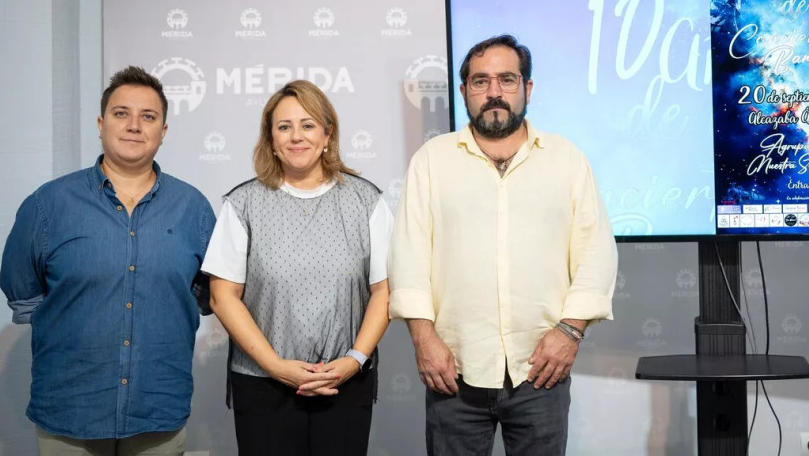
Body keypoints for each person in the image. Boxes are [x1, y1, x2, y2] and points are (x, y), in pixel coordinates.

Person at [388, 34, 618, 455]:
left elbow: (597, 253)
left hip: (540, 371)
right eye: (481, 81)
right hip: (453, 370)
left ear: (527, 88)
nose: (494, 92)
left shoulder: (566, 159)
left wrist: (570, 333)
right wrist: (423, 340)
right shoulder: (431, 161)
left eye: (507, 80)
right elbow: (408, 257)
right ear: (464, 91)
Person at [0, 66, 216, 455]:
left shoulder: (194, 209)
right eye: (121, 113)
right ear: (101, 124)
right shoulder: (48, 204)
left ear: (163, 131)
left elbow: (209, 294)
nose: (134, 125)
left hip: (158, 409)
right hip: (70, 410)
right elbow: (24, 291)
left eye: (148, 116)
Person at [202, 80, 392, 456]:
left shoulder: (366, 200)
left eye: (308, 125)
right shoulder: (243, 203)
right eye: (284, 127)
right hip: (263, 385)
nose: (296, 136)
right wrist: (275, 366)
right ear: (271, 139)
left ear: (327, 134)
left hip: (344, 382)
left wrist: (354, 360)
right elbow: (223, 297)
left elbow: (384, 290)